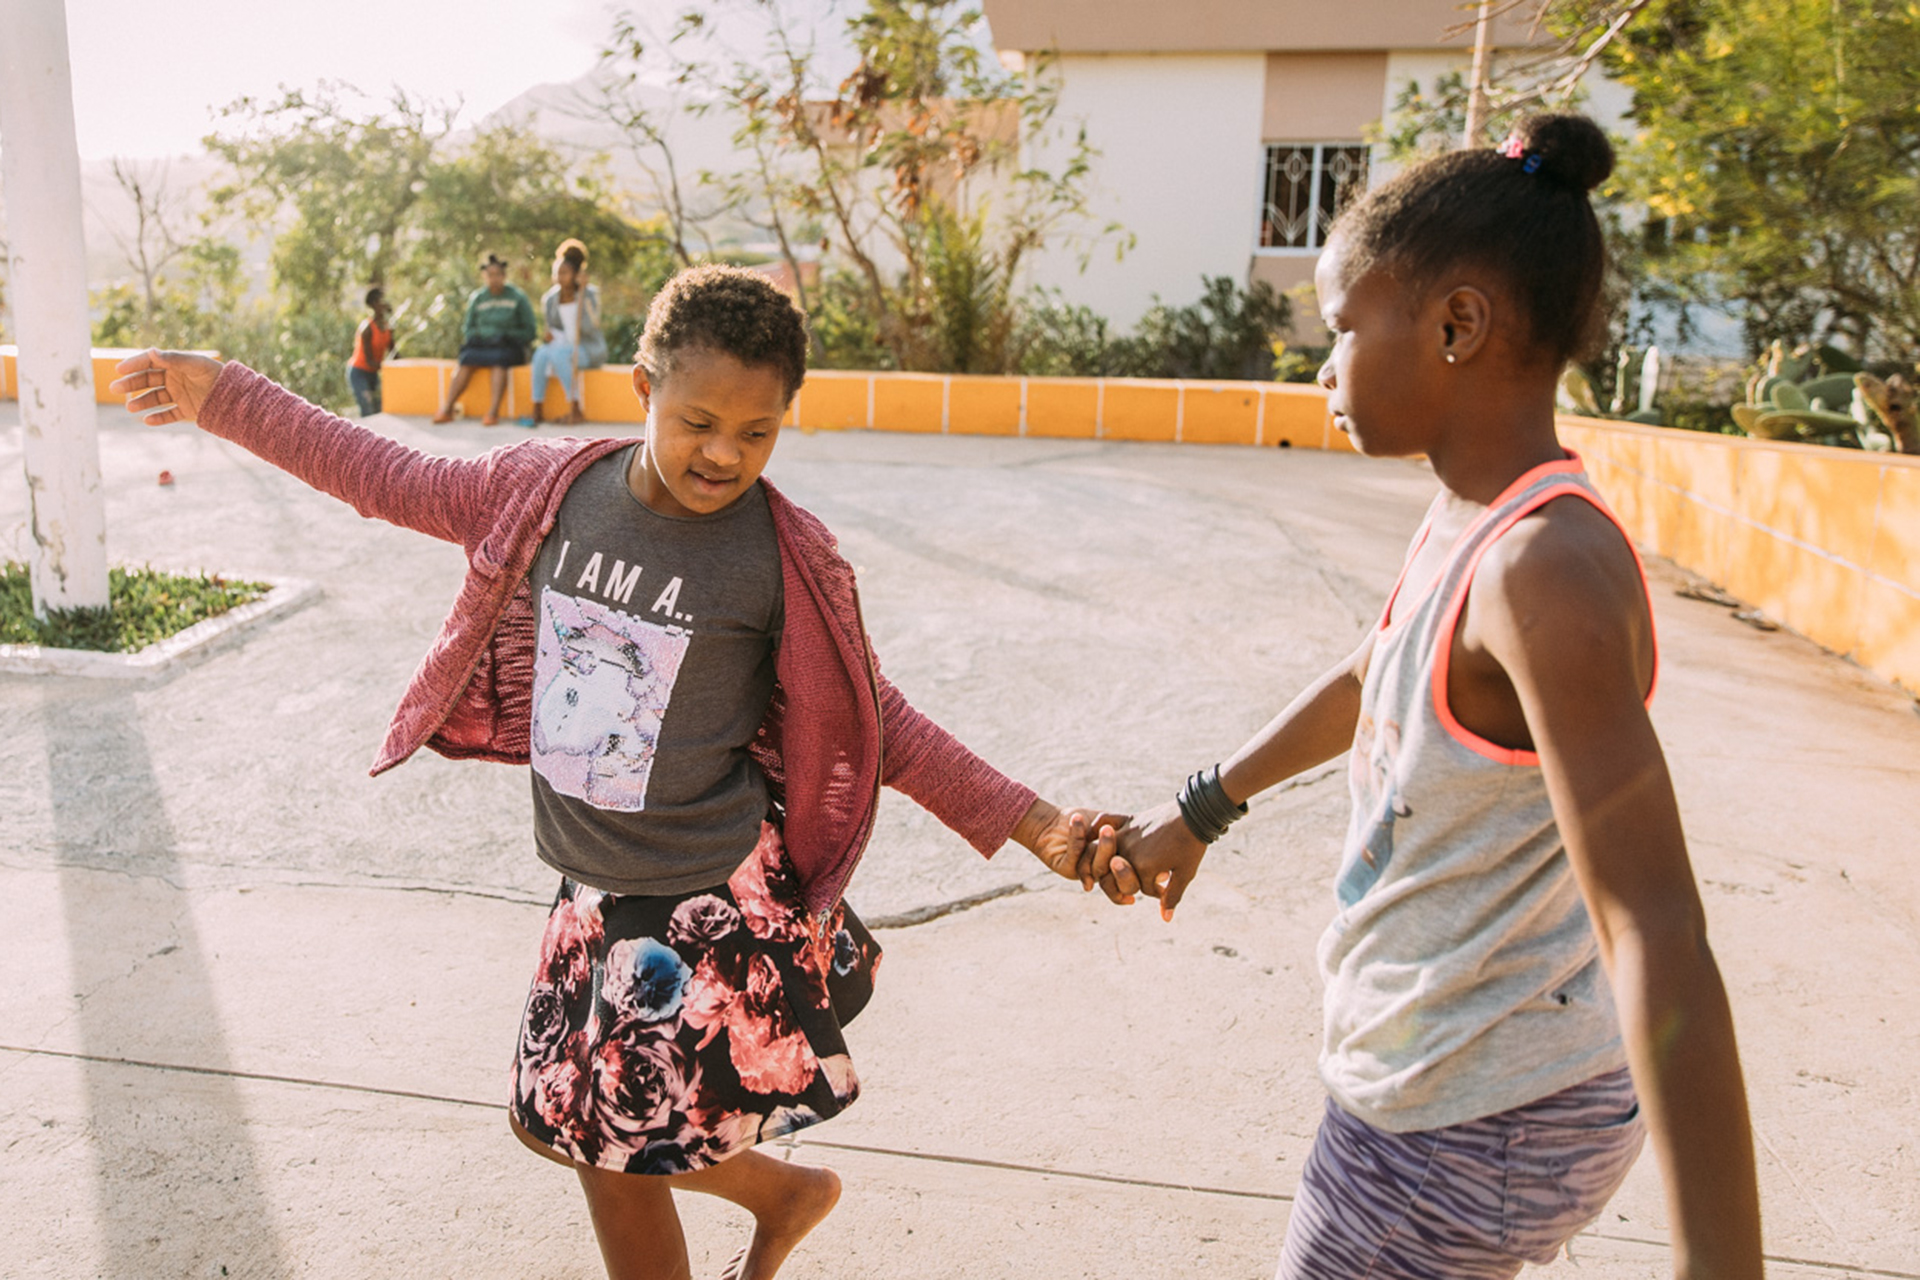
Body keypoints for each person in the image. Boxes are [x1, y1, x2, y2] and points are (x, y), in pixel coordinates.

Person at [111, 263, 1120, 1280]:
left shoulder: (778, 559)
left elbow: (878, 718)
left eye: (757, 431)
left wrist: (1042, 825)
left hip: (699, 894)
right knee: (548, 1123)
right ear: (643, 385)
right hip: (591, 885)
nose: (723, 453)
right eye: (698, 422)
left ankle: (782, 1196)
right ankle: (784, 1194)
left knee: (609, 1156)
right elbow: (383, 473)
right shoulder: (550, 491)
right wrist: (224, 394)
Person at [1083, 115, 1764, 1279]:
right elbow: (1376, 670)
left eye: (1342, 328)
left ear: (1457, 325)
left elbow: (1657, 922)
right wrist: (1201, 809)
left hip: (1461, 1116)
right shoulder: (1475, 516)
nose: (1324, 368)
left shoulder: (1541, 569)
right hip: (1475, 1083)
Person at [434, 252, 537, 427]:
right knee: (466, 359)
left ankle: (492, 413)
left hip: (508, 347)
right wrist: (484, 336)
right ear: (484, 276)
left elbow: (530, 331)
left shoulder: (517, 297)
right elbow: (468, 328)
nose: (493, 279)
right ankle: (447, 409)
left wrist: (505, 335)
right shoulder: (478, 298)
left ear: (504, 276)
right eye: (490, 275)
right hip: (482, 345)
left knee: (499, 362)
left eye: (497, 275)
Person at [527, 238, 608, 427]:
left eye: (564, 273)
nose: (559, 277)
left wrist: (582, 296)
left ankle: (576, 409)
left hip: (587, 350)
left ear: (575, 274)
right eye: (557, 273)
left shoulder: (589, 294)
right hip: (562, 347)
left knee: (559, 355)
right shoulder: (550, 299)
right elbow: (551, 328)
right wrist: (548, 335)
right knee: (540, 354)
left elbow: (592, 325)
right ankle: (537, 408)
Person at [347, 286, 394, 417]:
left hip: (373, 373)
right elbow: (369, 361)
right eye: (381, 301)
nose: (385, 304)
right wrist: (389, 367)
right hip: (359, 372)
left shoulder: (387, 327)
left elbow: (394, 353)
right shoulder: (367, 328)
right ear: (374, 304)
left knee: (379, 410)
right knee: (368, 408)